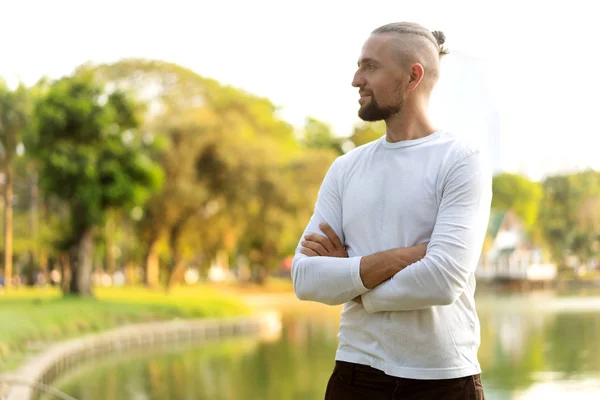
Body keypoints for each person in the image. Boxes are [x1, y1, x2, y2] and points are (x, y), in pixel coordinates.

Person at [291, 21, 491, 399]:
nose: (355, 79)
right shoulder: (345, 168)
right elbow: (305, 278)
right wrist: (406, 257)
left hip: (441, 380)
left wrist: (352, 282)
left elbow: (442, 280)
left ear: (412, 76)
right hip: (354, 374)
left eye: (370, 66)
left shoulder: (461, 159)